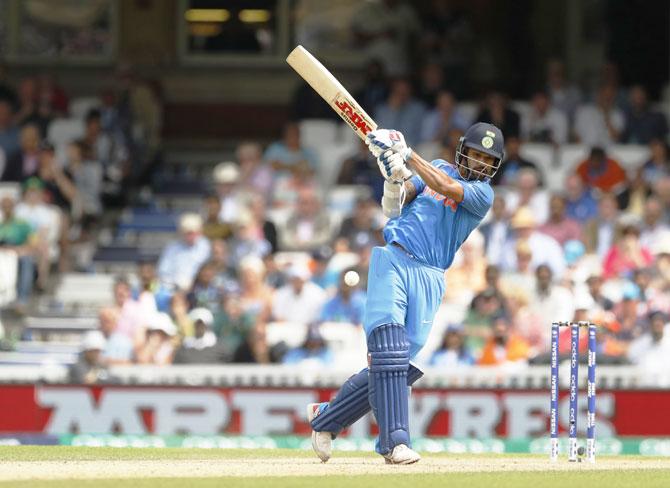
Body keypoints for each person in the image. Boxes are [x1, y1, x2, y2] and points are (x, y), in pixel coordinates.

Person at [307, 122, 504, 465]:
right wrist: (393, 176)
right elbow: (395, 206)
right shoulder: (439, 167)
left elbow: (444, 186)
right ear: (463, 151)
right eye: (476, 155)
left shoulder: (482, 194)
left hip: (431, 276)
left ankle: (326, 419)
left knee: (396, 365)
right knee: (390, 351)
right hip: (395, 258)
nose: (482, 164)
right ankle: (394, 442)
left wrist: (407, 153)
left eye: (489, 159)